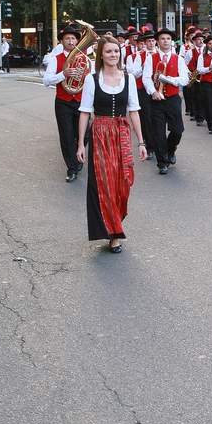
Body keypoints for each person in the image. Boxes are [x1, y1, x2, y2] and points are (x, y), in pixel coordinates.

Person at [75, 35, 148, 254]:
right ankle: (114, 233)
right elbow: (85, 112)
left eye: (116, 51)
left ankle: (115, 221)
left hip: (122, 133)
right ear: (101, 55)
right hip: (100, 134)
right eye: (108, 51)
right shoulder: (92, 79)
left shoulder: (128, 78)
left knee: (123, 184)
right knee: (105, 183)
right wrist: (81, 144)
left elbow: (134, 111)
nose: (113, 55)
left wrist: (142, 142)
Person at [42, 25, 88, 182]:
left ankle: (77, 154)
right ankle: (72, 167)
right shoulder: (56, 59)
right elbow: (46, 81)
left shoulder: (85, 58)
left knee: (85, 134)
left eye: (73, 38)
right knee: (67, 136)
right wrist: (63, 74)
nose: (71, 41)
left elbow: (93, 79)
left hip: (82, 102)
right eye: (67, 38)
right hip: (63, 102)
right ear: (61, 41)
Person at [142, 27, 190, 175]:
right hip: (156, 100)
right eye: (162, 38)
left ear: (172, 41)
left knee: (177, 130)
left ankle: (171, 149)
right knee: (158, 133)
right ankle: (162, 162)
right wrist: (153, 92)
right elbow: (146, 78)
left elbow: (185, 79)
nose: (165, 41)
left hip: (173, 99)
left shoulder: (179, 59)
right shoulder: (151, 58)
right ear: (158, 41)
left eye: (168, 39)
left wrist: (169, 80)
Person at [126, 30, 157, 159]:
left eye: (152, 41)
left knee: (157, 118)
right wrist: (144, 66)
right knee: (147, 118)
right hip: (142, 90)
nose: (150, 43)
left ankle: (157, 142)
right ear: (144, 43)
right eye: (148, 41)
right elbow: (133, 75)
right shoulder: (138, 56)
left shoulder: (162, 55)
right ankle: (149, 146)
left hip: (159, 89)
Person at [195, 32, 212, 134]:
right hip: (206, 83)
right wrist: (209, 69)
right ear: (207, 45)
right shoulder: (202, 56)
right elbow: (199, 70)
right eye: (210, 44)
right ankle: (211, 125)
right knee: (209, 103)